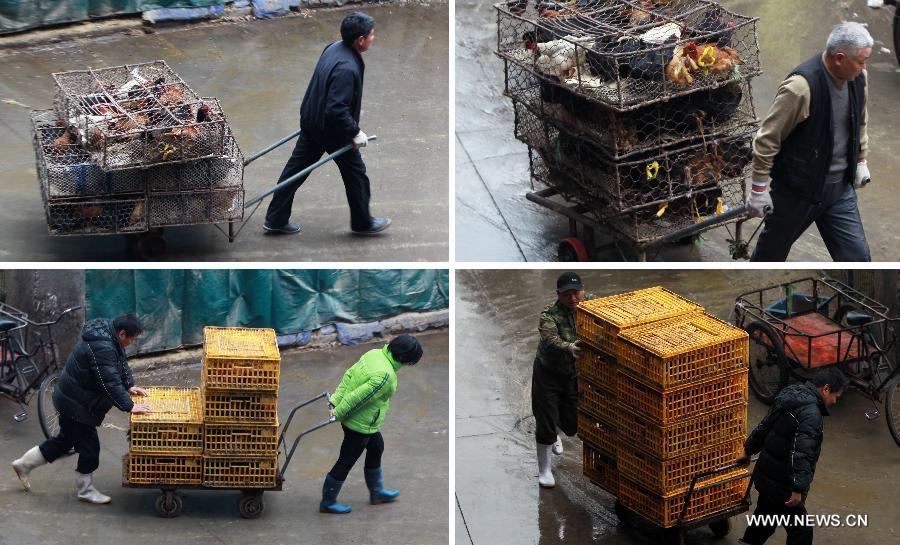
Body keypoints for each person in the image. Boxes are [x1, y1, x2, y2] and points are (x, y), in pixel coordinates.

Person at [748, 22, 873, 261]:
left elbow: (861, 120)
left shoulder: (859, 78)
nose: (864, 67)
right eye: (860, 61)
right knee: (769, 257)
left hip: (839, 191)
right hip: (798, 192)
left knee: (857, 258)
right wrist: (758, 189)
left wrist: (861, 159)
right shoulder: (800, 88)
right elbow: (768, 139)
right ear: (839, 58)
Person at [263, 11, 390, 236]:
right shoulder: (347, 68)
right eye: (371, 35)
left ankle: (275, 219)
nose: (374, 38)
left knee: (295, 170)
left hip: (312, 120)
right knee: (356, 173)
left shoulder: (334, 47)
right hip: (330, 129)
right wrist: (355, 131)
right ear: (360, 39)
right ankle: (362, 223)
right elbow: (336, 109)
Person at [11, 314, 151, 504]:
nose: (132, 342)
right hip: (76, 405)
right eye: (132, 338)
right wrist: (130, 406)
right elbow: (108, 382)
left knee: (64, 441)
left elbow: (120, 364)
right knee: (90, 448)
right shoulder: (103, 346)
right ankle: (85, 490)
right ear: (122, 333)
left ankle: (23, 465)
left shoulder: (108, 336)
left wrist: (129, 385)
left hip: (71, 398)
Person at [736, 367, 848, 545]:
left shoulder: (790, 394)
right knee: (801, 531)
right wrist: (797, 489)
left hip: (766, 474)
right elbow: (801, 453)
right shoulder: (812, 415)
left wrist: (748, 450)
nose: (834, 401)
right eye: (836, 396)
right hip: (783, 484)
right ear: (826, 388)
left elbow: (765, 424)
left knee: (764, 520)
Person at [319, 334, 424, 514]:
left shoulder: (375, 354)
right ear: (403, 358)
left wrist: (335, 400)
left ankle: (377, 493)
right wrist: (337, 412)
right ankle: (328, 502)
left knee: (377, 447)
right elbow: (358, 398)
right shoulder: (385, 376)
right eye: (410, 362)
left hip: (366, 422)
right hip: (360, 425)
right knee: (345, 461)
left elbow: (349, 375)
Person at [532, 272, 595, 488]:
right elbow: (550, 340)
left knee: (571, 424)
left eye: (576, 292)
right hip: (548, 374)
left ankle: (556, 430)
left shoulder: (592, 307)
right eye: (567, 294)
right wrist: (569, 347)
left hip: (574, 374)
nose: (573, 298)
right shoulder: (549, 315)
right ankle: (545, 470)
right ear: (558, 294)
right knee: (546, 422)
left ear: (583, 290)